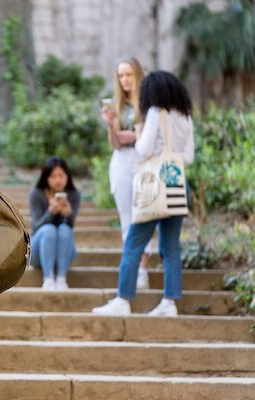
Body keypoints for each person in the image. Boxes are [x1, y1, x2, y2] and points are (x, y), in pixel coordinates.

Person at [92, 70, 195, 317]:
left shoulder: (154, 112)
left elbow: (143, 149)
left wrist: (139, 134)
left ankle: (123, 300)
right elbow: (189, 157)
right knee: (170, 247)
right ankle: (169, 303)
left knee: (134, 243)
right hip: (177, 183)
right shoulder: (185, 116)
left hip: (154, 185)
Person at [101, 57, 156, 289]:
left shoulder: (149, 102)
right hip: (122, 160)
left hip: (144, 160)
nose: (124, 80)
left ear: (138, 75)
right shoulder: (117, 105)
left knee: (143, 213)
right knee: (126, 215)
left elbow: (152, 136)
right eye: (121, 75)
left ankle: (143, 268)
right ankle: (132, 267)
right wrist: (110, 126)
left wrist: (134, 136)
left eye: (128, 74)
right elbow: (115, 143)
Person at [29, 157, 81, 290]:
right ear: (46, 177)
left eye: (61, 175)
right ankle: (48, 278)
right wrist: (51, 212)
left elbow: (70, 227)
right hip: (39, 252)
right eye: (53, 176)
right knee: (49, 230)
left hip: (64, 254)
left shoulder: (74, 195)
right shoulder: (36, 194)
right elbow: (36, 227)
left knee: (64, 229)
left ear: (67, 176)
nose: (58, 180)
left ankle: (62, 278)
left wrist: (68, 214)